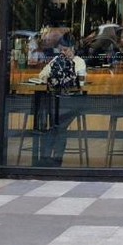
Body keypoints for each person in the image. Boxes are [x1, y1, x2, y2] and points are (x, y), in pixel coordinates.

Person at [38, 35, 87, 165]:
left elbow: (78, 80)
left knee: (57, 125)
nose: (62, 53)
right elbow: (42, 74)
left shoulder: (79, 62)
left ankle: (49, 158)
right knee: (57, 125)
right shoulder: (56, 60)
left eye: (65, 50)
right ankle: (52, 158)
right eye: (60, 50)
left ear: (72, 48)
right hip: (56, 101)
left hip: (72, 101)